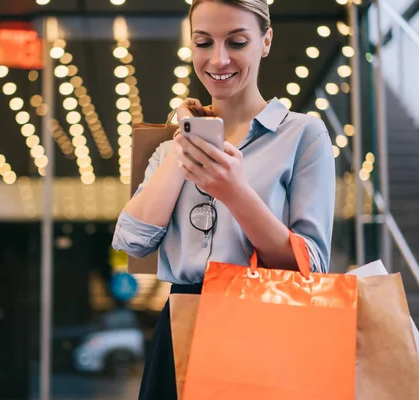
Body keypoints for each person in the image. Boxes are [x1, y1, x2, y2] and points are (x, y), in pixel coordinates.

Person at [112, 0, 336, 398]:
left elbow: (312, 267)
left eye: (236, 42)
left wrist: (236, 193)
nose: (218, 59)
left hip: (263, 323)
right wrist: (185, 144)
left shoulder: (303, 134)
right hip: (181, 324)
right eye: (204, 43)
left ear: (265, 42)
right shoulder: (174, 147)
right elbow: (131, 241)